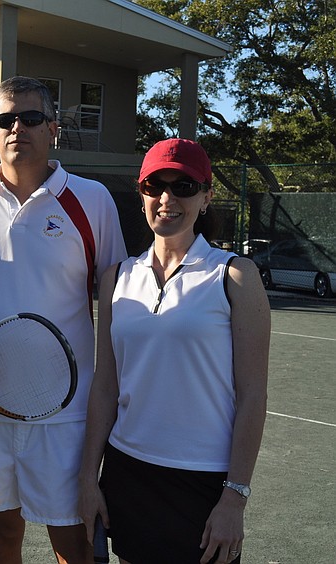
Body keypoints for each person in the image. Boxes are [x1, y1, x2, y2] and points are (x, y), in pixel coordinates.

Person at [0, 76, 127, 564]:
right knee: (0, 542)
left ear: (53, 128)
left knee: (73, 547)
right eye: (4, 120)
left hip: (67, 413)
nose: (18, 127)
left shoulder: (92, 200)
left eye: (31, 117)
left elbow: (117, 300)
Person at [77, 138, 270, 564]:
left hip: (203, 482)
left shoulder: (235, 275)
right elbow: (105, 386)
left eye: (183, 186)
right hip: (128, 470)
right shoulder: (116, 277)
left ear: (206, 197)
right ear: (141, 192)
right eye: (154, 185)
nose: (167, 198)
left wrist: (234, 499)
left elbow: (253, 394)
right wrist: (89, 480)